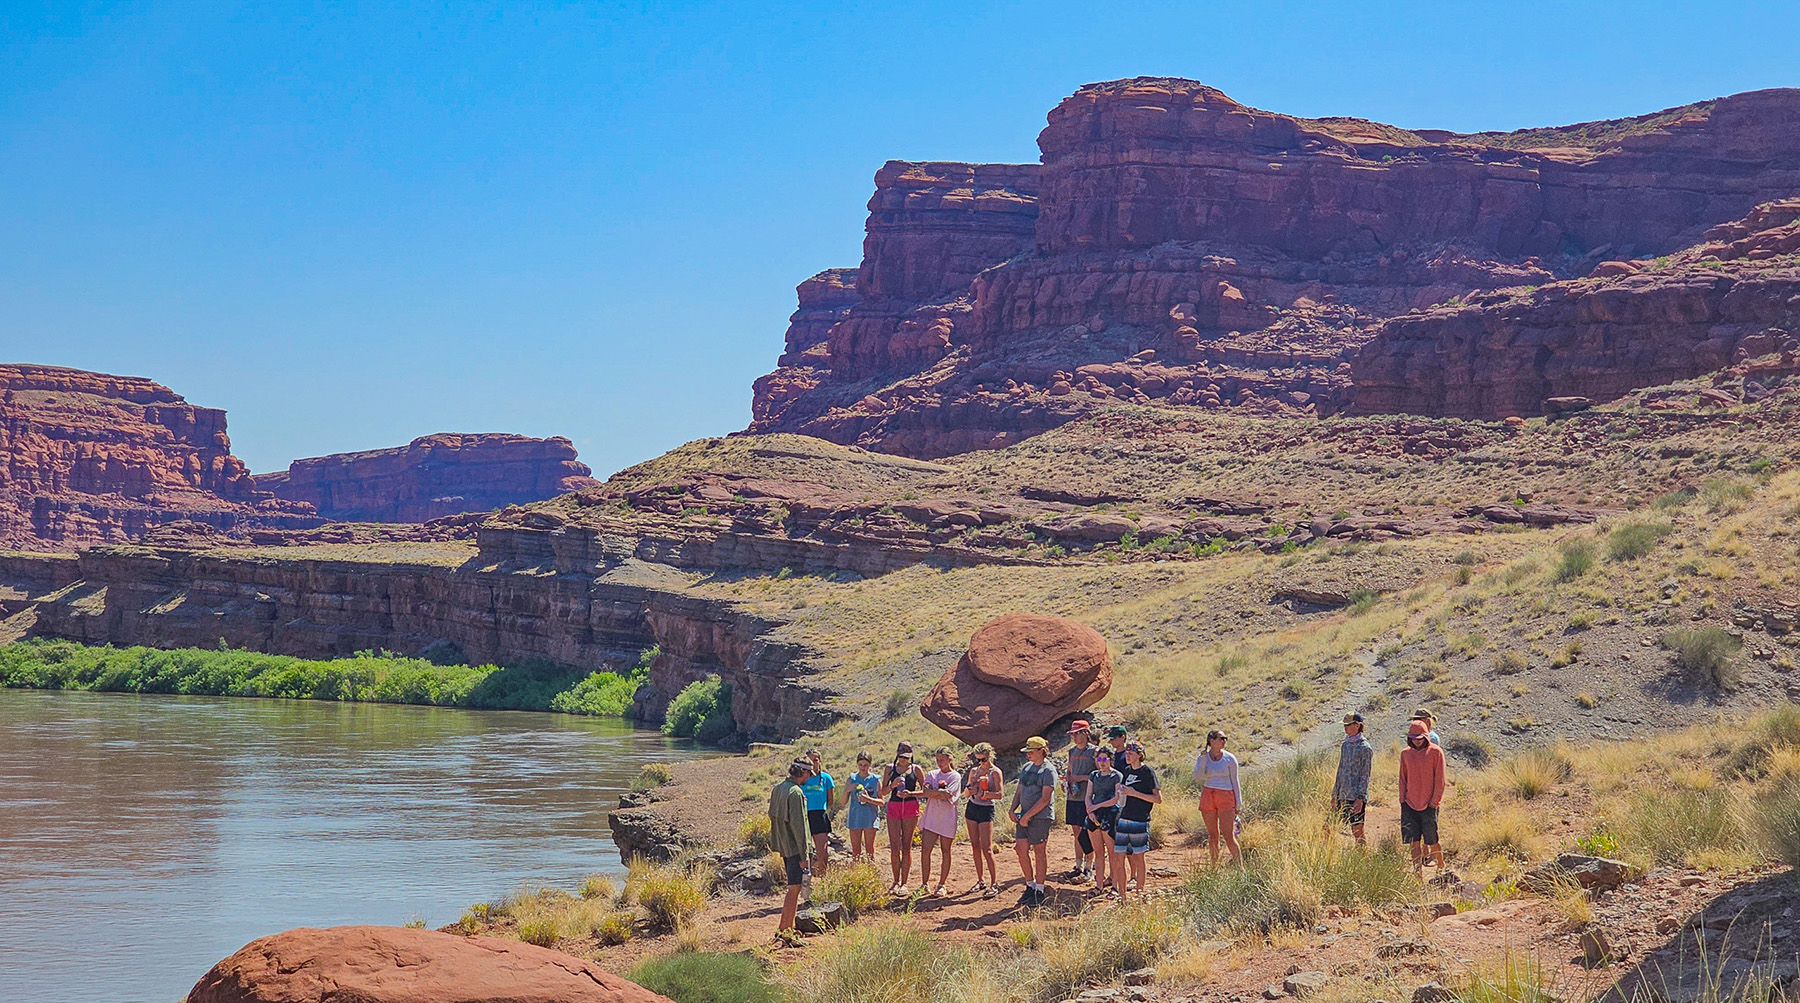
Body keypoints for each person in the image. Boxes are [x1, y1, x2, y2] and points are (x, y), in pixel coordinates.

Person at [1011, 735, 1059, 907]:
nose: (1028, 754)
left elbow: (1045, 798)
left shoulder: (1049, 771)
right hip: (1024, 815)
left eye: (1031, 751)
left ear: (1041, 751)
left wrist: (1027, 815)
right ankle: (1029, 885)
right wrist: (1012, 809)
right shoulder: (1026, 768)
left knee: (1039, 851)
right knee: (1020, 849)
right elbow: (1019, 791)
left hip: (1040, 817)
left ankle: (1039, 889)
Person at [768, 759, 811, 936]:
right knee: (794, 889)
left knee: (792, 888)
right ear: (804, 773)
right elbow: (799, 828)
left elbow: (772, 816)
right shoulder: (796, 793)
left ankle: (785, 927)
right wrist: (804, 856)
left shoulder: (778, 788)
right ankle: (786, 930)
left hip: (783, 844)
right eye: (809, 773)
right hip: (794, 848)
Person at [1399, 720, 1447, 878]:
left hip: (1429, 805)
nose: (1416, 740)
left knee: (1432, 839)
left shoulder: (1436, 752)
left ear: (1426, 736)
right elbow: (1403, 778)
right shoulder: (1405, 754)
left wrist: (1434, 802)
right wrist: (1402, 800)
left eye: (1419, 737)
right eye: (1413, 737)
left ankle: (1441, 866)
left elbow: (1440, 780)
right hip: (1410, 803)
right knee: (1413, 841)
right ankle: (1417, 872)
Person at [1114, 741, 1162, 896]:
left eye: (1131, 753)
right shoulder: (1126, 772)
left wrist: (1134, 793)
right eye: (1126, 753)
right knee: (1119, 857)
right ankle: (1122, 895)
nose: (1128, 756)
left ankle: (1139, 893)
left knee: (1138, 858)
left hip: (1140, 820)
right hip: (1124, 818)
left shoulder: (1147, 772)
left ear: (1140, 755)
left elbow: (1158, 798)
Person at [879, 741, 925, 895]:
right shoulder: (889, 768)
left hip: (910, 807)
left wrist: (911, 793)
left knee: (906, 846)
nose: (903, 759)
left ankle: (904, 883)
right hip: (894, 806)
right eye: (901, 756)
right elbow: (883, 792)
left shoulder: (916, 769)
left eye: (906, 757)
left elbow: (925, 791)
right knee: (894, 846)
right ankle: (895, 881)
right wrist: (892, 786)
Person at [1192, 729, 1241, 866]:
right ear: (1211, 741)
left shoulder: (1229, 758)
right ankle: (1214, 867)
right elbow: (1198, 778)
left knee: (1228, 835)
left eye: (1225, 738)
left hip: (1226, 795)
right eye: (1221, 738)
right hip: (1209, 795)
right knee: (1213, 835)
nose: (1224, 741)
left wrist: (1238, 803)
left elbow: (1235, 780)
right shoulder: (1203, 758)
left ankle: (1240, 867)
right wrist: (1202, 762)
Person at [919, 747, 962, 897]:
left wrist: (934, 793)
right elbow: (926, 791)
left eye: (942, 760)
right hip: (932, 818)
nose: (939, 763)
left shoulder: (955, 777)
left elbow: (948, 796)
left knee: (945, 851)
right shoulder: (932, 774)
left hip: (947, 819)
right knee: (925, 850)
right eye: (937, 760)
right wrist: (939, 792)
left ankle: (941, 884)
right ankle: (924, 884)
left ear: (950, 759)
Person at [962, 742, 1003, 898]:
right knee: (975, 846)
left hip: (986, 809)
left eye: (983, 759)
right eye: (977, 759)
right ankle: (980, 880)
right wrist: (972, 788)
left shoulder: (995, 772)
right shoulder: (974, 771)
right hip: (972, 808)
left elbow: (999, 794)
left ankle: (994, 883)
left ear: (989, 756)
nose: (980, 762)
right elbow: (966, 793)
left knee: (986, 848)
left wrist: (983, 792)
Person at [1084, 746, 1124, 898]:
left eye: (1104, 759)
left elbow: (1115, 798)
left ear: (1110, 760)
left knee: (1112, 852)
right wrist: (1090, 810)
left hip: (1110, 814)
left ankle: (1115, 886)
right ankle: (1099, 886)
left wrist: (1097, 806)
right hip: (1094, 815)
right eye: (1099, 759)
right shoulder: (1094, 775)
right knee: (1098, 852)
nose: (1102, 762)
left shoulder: (1116, 776)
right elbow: (1088, 795)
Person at [1063, 720, 1099, 881]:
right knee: (1076, 832)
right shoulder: (1071, 752)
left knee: (1088, 832)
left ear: (1086, 733)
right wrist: (1067, 782)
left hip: (1087, 798)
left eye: (1077, 733)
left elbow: (1099, 774)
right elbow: (1069, 771)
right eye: (1072, 734)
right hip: (1073, 797)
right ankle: (1077, 866)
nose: (1074, 737)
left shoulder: (1094, 751)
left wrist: (1082, 778)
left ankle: (1088, 867)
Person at [1332, 712, 1373, 848]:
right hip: (1342, 794)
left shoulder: (1365, 748)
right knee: (1328, 827)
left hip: (1355, 797)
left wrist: (1360, 798)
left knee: (1357, 831)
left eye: (1348, 725)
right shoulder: (1345, 745)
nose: (1345, 728)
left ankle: (1362, 858)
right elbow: (1340, 770)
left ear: (1357, 726)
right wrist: (1334, 794)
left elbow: (1365, 775)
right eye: (1344, 725)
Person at [802, 748, 835, 880]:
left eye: (815, 760)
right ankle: (806, 880)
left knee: (822, 852)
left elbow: (830, 800)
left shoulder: (826, 778)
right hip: (804, 815)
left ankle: (822, 879)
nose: (813, 763)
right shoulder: (802, 778)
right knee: (805, 851)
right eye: (809, 760)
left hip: (820, 815)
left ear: (819, 761)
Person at [845, 751, 883, 863]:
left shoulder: (875, 780)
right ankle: (857, 875)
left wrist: (869, 799)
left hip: (870, 818)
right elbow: (843, 802)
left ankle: (871, 874)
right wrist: (848, 789)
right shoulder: (852, 778)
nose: (863, 768)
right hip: (855, 817)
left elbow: (881, 801)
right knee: (856, 851)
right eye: (860, 765)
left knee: (869, 850)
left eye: (865, 765)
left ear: (870, 764)